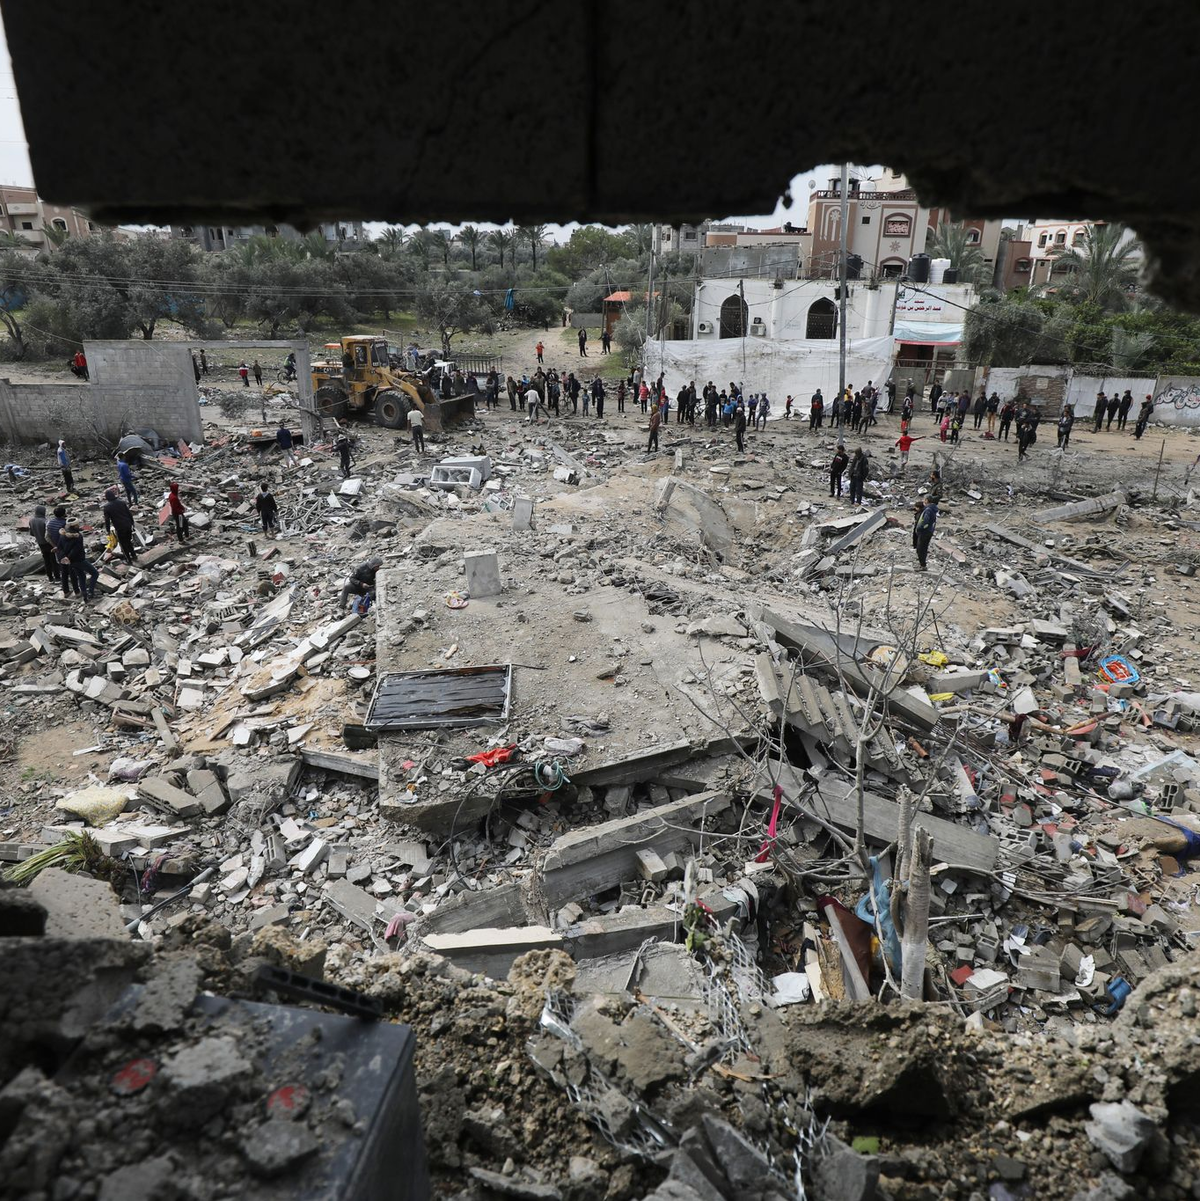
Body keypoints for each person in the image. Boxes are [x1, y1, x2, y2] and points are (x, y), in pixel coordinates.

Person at [57, 519, 98, 601]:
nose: (79, 526)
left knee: (81, 576)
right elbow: (76, 549)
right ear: (75, 526)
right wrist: (69, 557)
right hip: (79, 559)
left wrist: (65, 557)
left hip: (71, 562)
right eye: (78, 525)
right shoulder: (78, 536)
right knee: (95, 573)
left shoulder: (62, 535)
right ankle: (90, 592)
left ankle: (84, 594)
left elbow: (59, 548)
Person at [102, 487, 138, 565]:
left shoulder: (107, 507)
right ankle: (134, 556)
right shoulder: (122, 502)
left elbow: (107, 520)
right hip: (128, 525)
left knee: (123, 544)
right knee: (129, 541)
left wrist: (108, 530)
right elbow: (129, 514)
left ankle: (128, 559)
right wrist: (132, 523)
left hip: (119, 527)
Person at [46, 505, 76, 597]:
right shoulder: (65, 524)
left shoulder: (49, 523)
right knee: (72, 570)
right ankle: (77, 591)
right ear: (64, 514)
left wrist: (55, 546)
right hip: (67, 550)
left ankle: (66, 591)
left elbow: (47, 537)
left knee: (63, 571)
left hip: (58, 551)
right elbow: (69, 537)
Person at [29, 504, 59, 582]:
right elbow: (49, 534)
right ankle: (57, 577)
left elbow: (31, 533)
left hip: (40, 543)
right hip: (49, 543)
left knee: (46, 561)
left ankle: (50, 577)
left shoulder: (31, 521)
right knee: (53, 560)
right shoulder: (45, 521)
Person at [914, 501, 938, 571]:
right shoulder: (932, 509)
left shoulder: (927, 511)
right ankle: (922, 564)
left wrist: (920, 528)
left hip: (924, 533)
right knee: (923, 549)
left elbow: (925, 522)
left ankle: (923, 565)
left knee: (921, 549)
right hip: (928, 532)